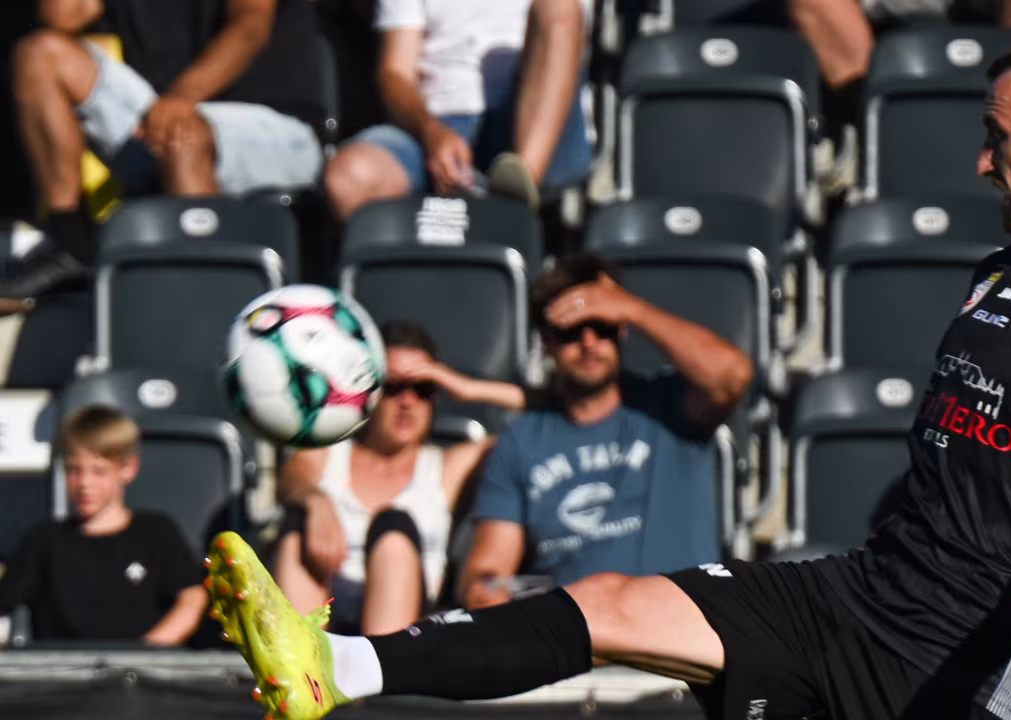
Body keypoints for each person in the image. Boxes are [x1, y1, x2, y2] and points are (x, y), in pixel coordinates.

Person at [205, 28, 1011, 720]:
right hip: (858, 595)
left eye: (996, 135)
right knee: (611, 602)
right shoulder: (998, 273)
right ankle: (336, 664)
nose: (981, 161)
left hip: (958, 656)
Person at [455, 254, 752, 610]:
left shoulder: (672, 405)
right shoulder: (520, 442)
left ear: (622, 330)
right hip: (580, 636)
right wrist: (504, 594)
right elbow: (486, 575)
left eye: (603, 325)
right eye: (570, 331)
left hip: (682, 625)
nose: (589, 342)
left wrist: (633, 309)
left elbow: (733, 377)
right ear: (546, 342)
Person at [3, 0, 325, 301]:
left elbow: (251, 26)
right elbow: (63, 15)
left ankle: (207, 299)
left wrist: (182, 97)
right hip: (155, 119)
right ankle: (70, 245)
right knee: (39, 55)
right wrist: (172, 107)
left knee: (181, 135)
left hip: (278, 130)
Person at [273, 320, 525, 636]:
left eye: (423, 388)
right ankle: (303, 660)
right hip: (324, 616)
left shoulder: (447, 467)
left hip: (401, 628)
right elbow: (293, 480)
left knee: (393, 528)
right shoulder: (328, 453)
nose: (407, 402)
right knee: (297, 527)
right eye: (393, 387)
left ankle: (379, 663)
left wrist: (467, 387)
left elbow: (546, 419)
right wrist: (315, 501)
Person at [321, 0, 593, 218]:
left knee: (560, 8)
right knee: (349, 178)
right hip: (437, 126)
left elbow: (568, 33)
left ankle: (516, 198)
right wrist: (431, 132)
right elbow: (396, 73)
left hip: (531, 122)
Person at [0, 405, 207, 645]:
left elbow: (192, 598)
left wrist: (145, 652)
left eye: (99, 471)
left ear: (128, 469)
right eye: (73, 470)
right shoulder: (44, 540)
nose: (84, 483)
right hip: (62, 667)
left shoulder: (156, 533)